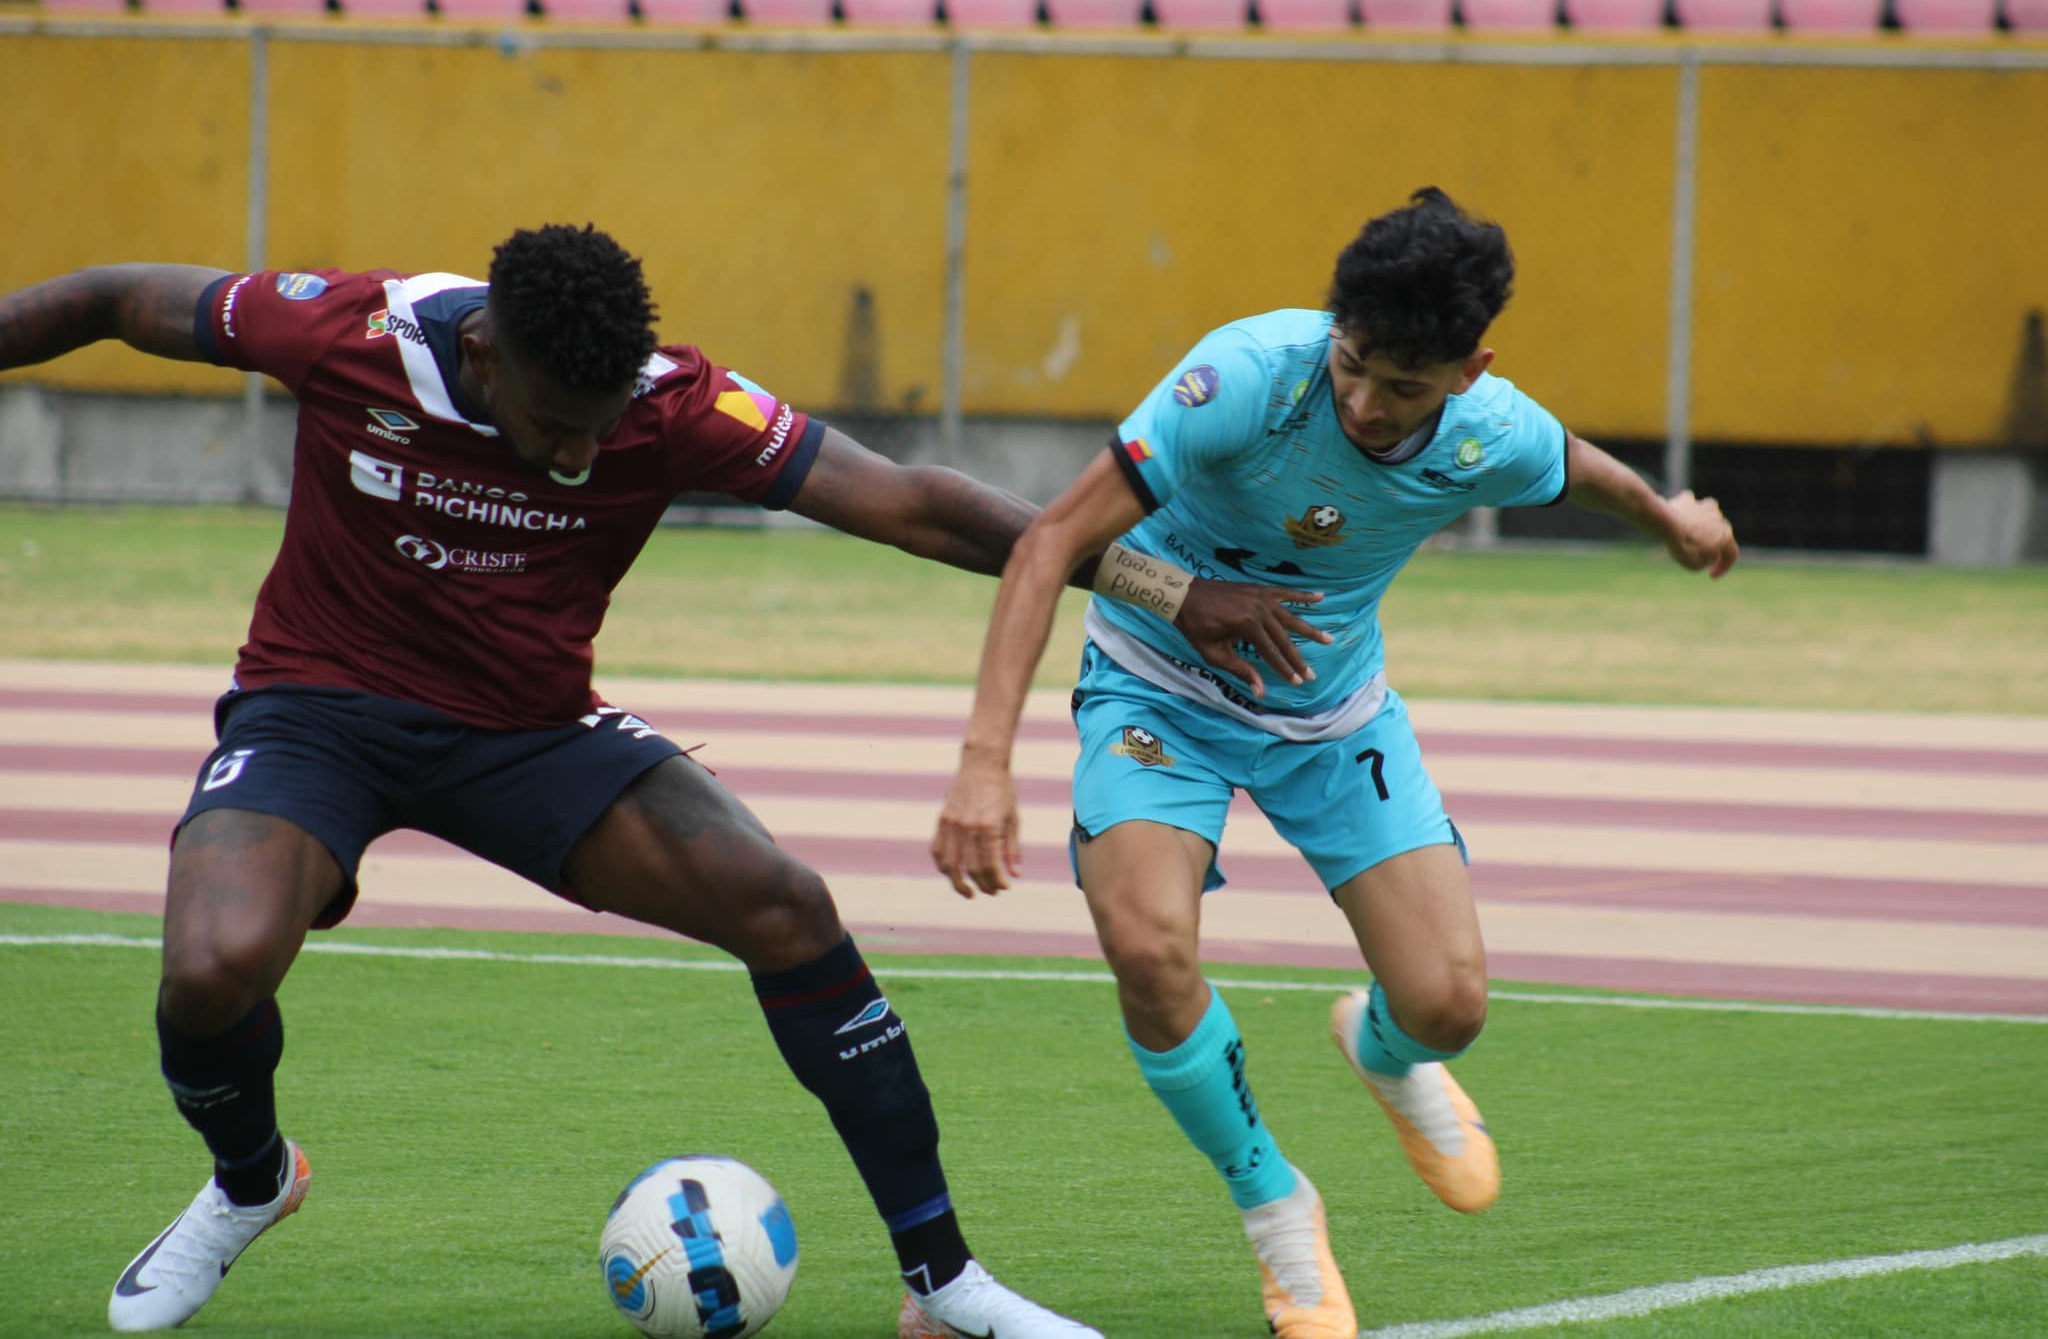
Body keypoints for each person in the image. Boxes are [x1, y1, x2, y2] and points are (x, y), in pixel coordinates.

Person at [0, 224, 1320, 1337]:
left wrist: (1166, 585)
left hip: (529, 731)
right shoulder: (348, 334)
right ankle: (249, 1180)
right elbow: (123, 299)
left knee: (787, 903)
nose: (580, 454)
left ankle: (947, 1280)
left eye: (599, 426)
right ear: (481, 356)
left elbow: (916, 502)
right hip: (320, 714)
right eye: (554, 427)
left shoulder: (671, 401)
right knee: (211, 966)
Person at [929, 187, 1741, 1337]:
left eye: (1400, 384)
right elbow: (1051, 536)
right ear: (1332, 326)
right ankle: (1275, 1209)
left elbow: (1568, 461)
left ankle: (1382, 1049)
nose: (1362, 402)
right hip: (1153, 687)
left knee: (1448, 1005)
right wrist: (981, 762)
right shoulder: (1245, 379)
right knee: (1147, 947)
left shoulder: (1484, 428)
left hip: (1333, 719)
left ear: (1467, 370)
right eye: (1352, 363)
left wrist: (1667, 516)